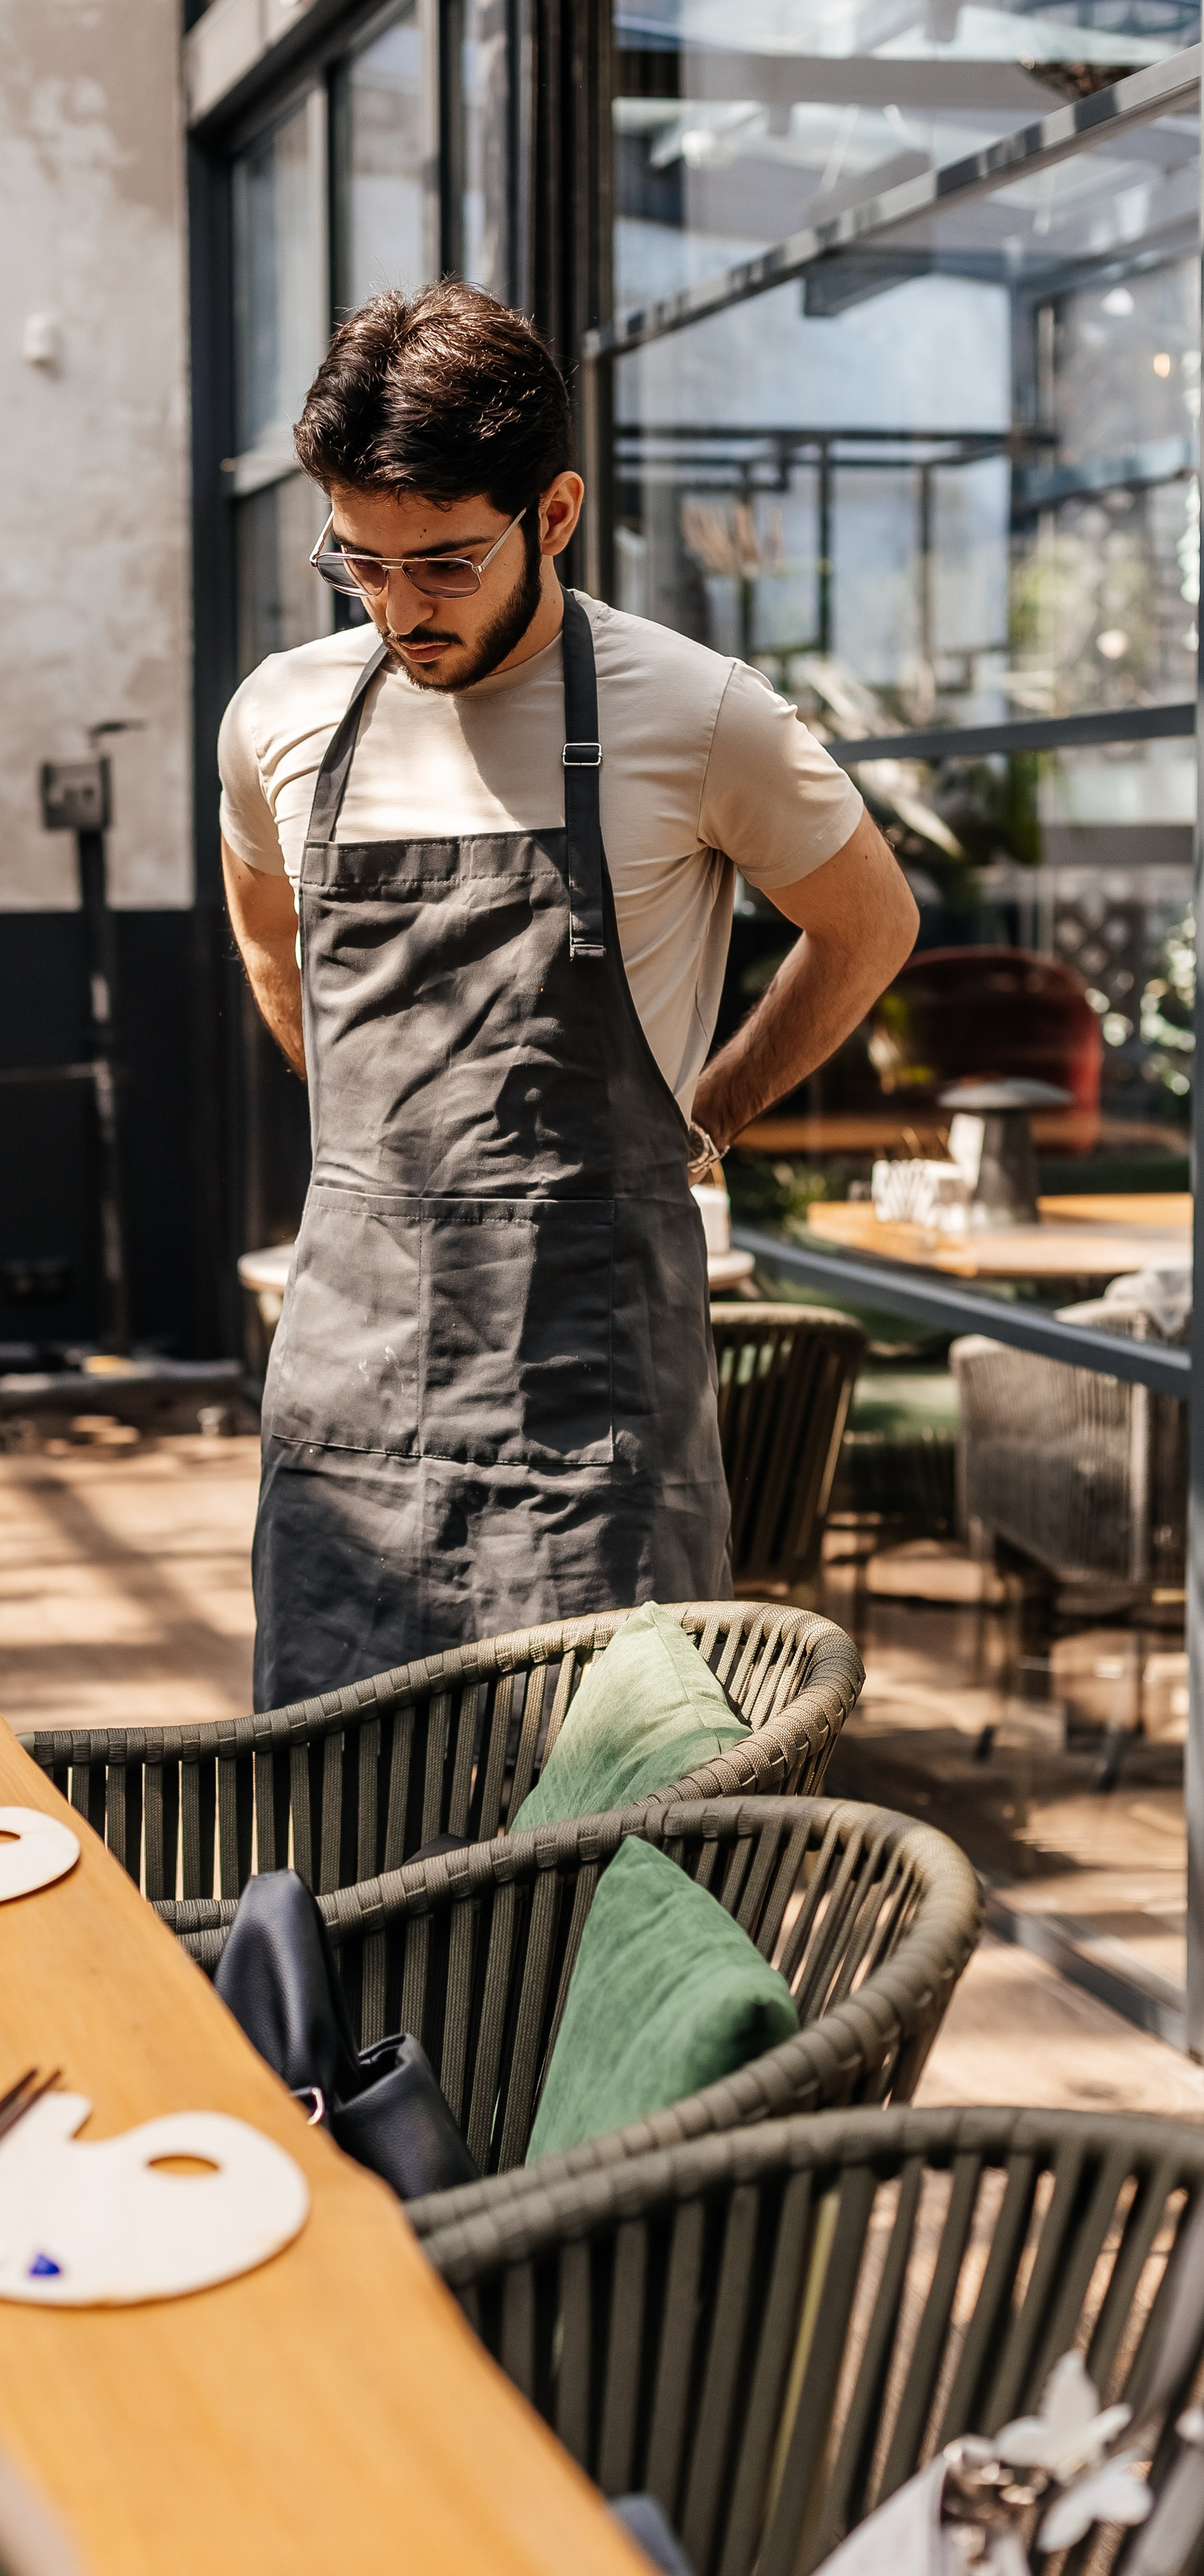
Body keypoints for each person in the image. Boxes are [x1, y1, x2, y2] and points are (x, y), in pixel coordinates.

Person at [221, 283, 919, 1712]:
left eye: (444, 564)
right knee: (338, 1810)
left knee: (612, 1823)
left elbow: (865, 927)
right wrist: (372, 1159)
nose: (398, 607)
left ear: (551, 516)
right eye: (357, 563)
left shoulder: (698, 713)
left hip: (587, 1395)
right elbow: (265, 935)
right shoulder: (281, 714)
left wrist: (699, 1115)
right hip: (346, 1385)